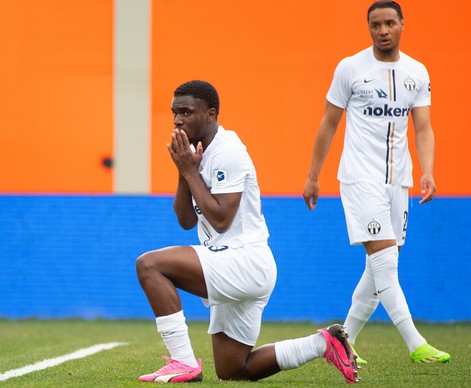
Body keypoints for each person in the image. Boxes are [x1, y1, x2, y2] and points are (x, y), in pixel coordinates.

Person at [135, 80, 359, 383]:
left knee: (149, 265)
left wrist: (190, 171)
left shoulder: (228, 151)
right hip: (235, 264)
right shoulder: (196, 154)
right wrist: (183, 170)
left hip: (245, 261)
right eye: (174, 113)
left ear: (210, 114)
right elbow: (186, 221)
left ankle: (182, 361)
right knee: (234, 369)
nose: (177, 120)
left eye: (186, 112)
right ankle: (323, 343)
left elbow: (221, 219)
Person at [303, 0, 450, 366]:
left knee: (379, 268)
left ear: (402, 24)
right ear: (368, 28)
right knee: (385, 262)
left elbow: (424, 127)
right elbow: (328, 124)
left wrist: (427, 171)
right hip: (358, 178)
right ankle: (416, 343)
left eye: (389, 23)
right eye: (375, 25)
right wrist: (312, 176)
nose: (382, 30)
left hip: (397, 182)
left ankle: (342, 340)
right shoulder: (350, 68)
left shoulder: (417, 72)